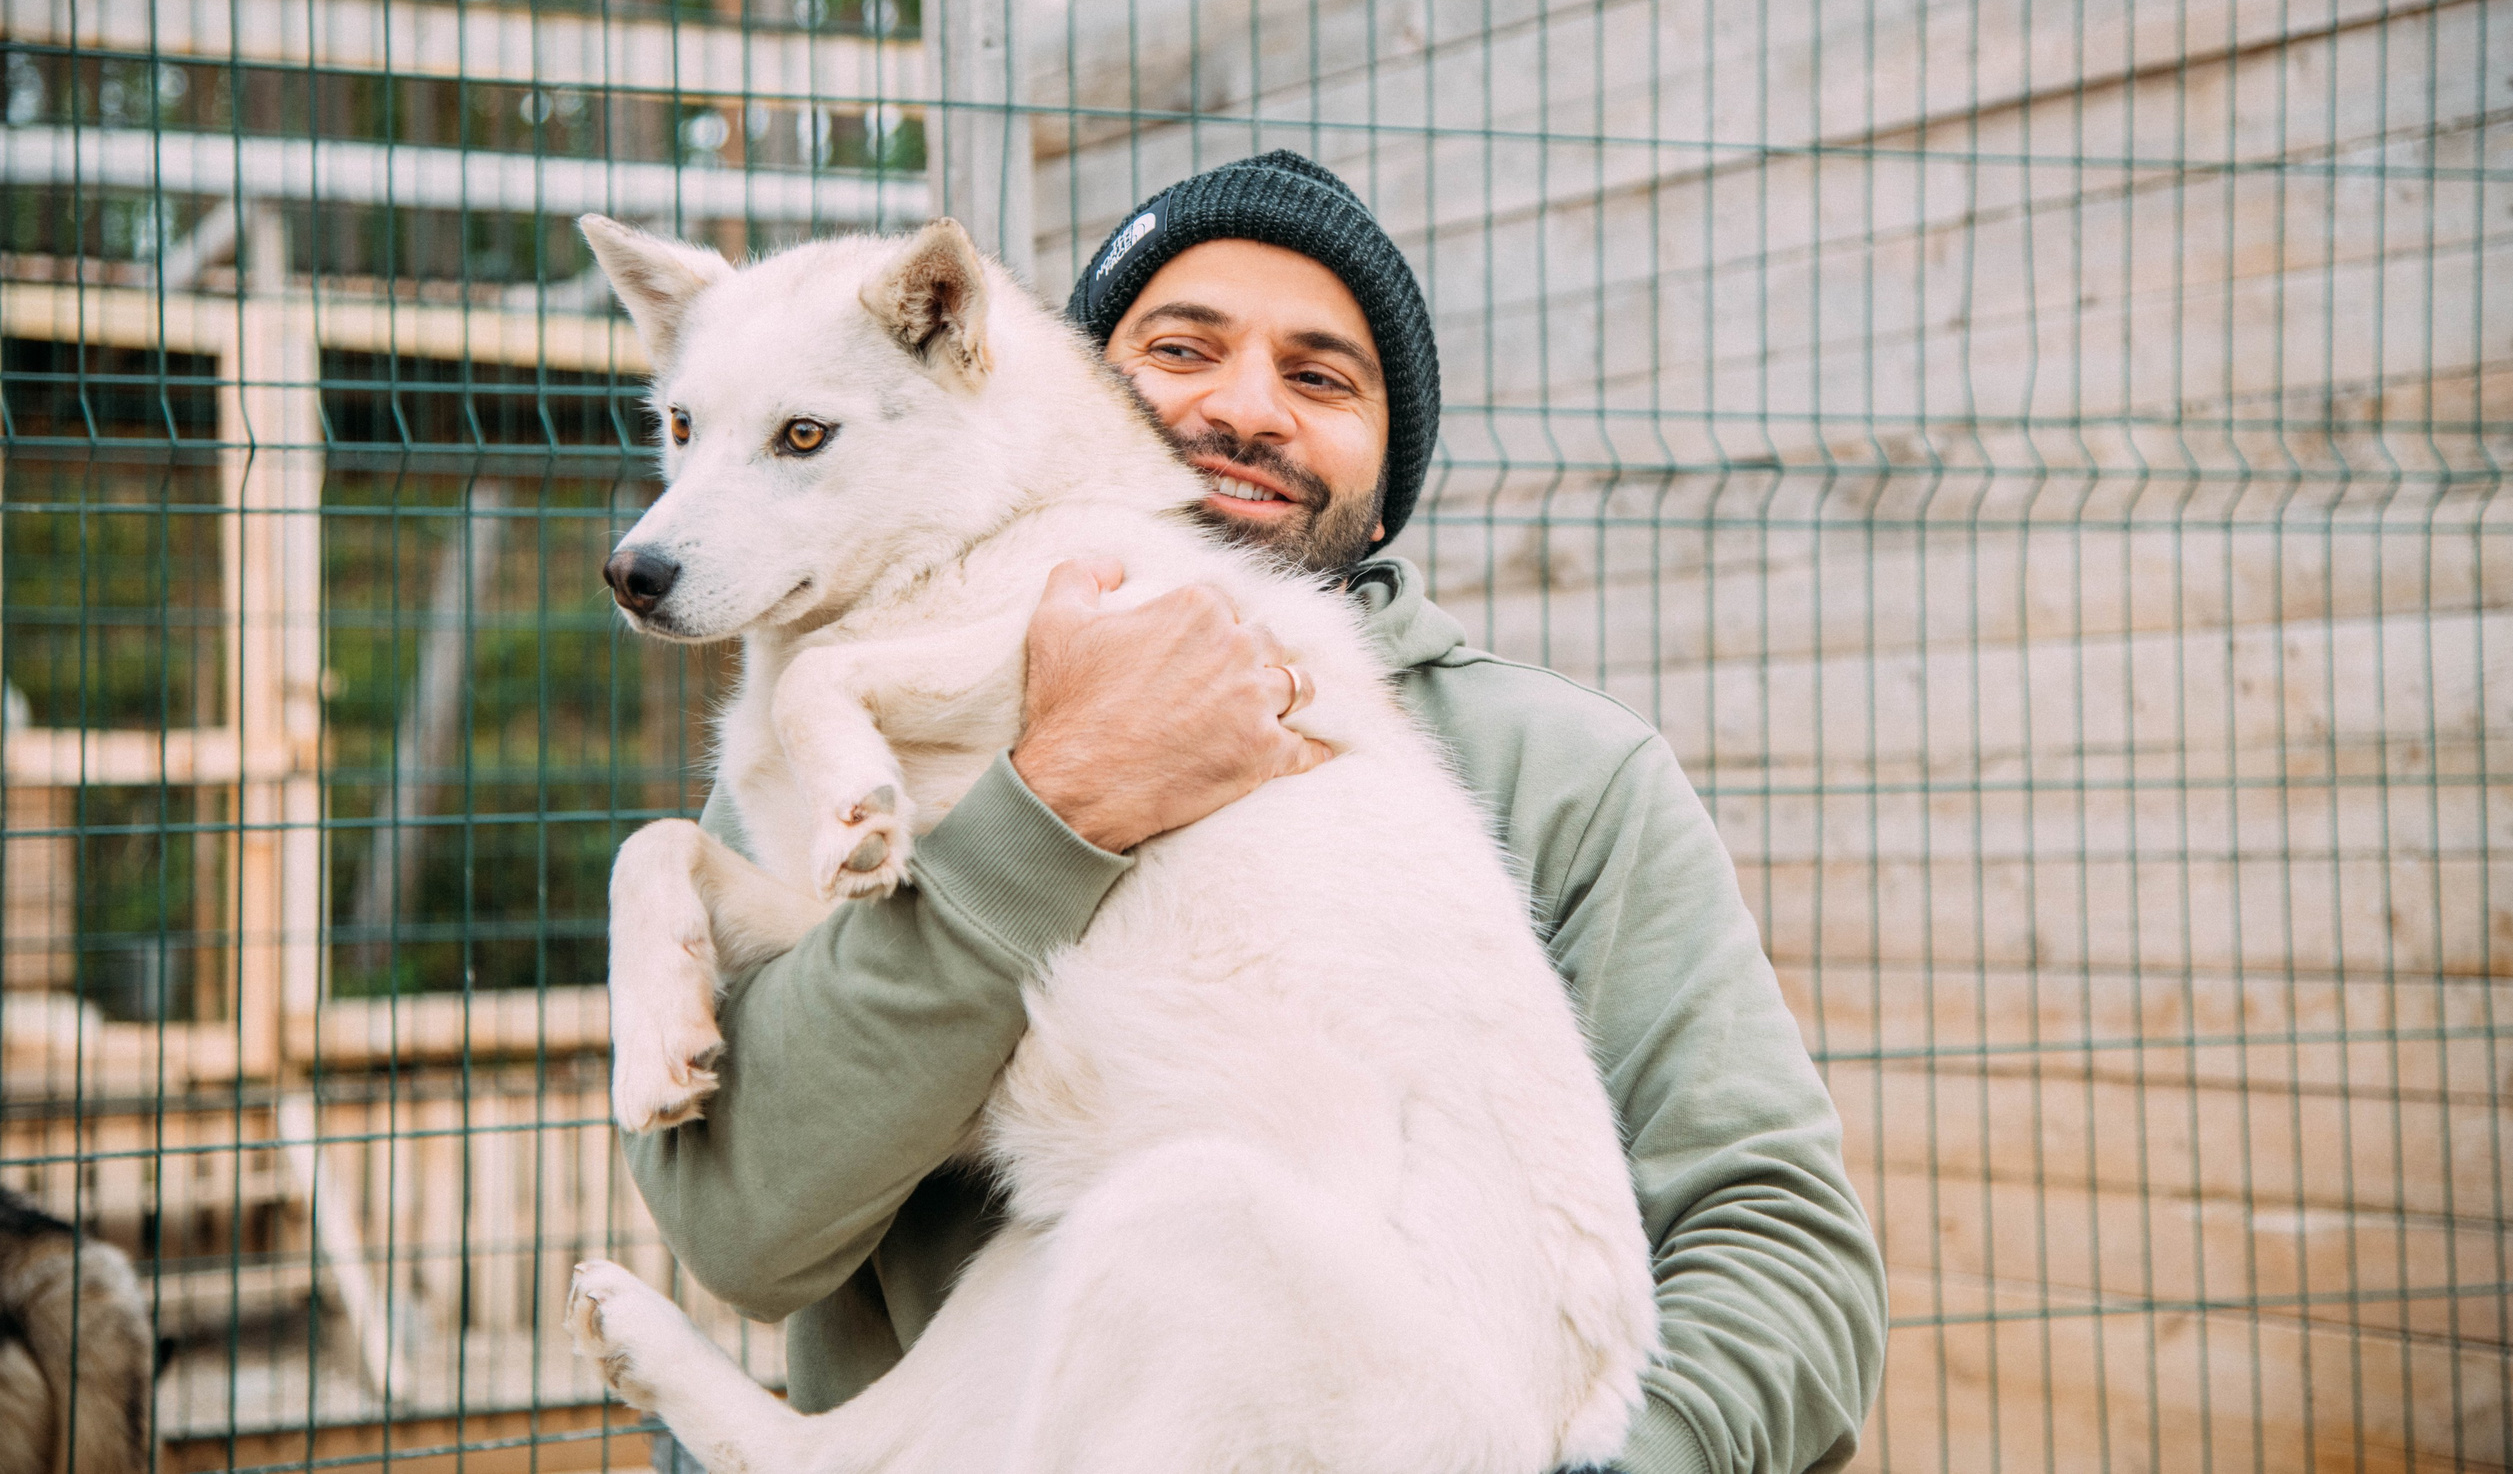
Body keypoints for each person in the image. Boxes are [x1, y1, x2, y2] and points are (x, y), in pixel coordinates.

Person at [623, 151, 1888, 1473]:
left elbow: (1781, 1248)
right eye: (1183, 346)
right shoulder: (841, 748)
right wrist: (1054, 812)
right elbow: (746, 1233)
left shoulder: (1567, 776)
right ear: (1052, 378)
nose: (1248, 407)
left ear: (1391, 464)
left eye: (1322, 375)